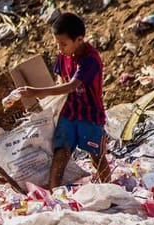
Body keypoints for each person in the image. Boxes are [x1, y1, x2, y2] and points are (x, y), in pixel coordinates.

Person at [8, 12, 110, 189]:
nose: (60, 48)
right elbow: (60, 81)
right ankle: (55, 194)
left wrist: (35, 92)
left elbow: (70, 86)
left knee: (97, 156)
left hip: (89, 115)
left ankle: (110, 189)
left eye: (64, 44)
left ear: (79, 40)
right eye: (58, 44)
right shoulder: (63, 56)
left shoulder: (90, 59)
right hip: (69, 113)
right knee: (60, 153)